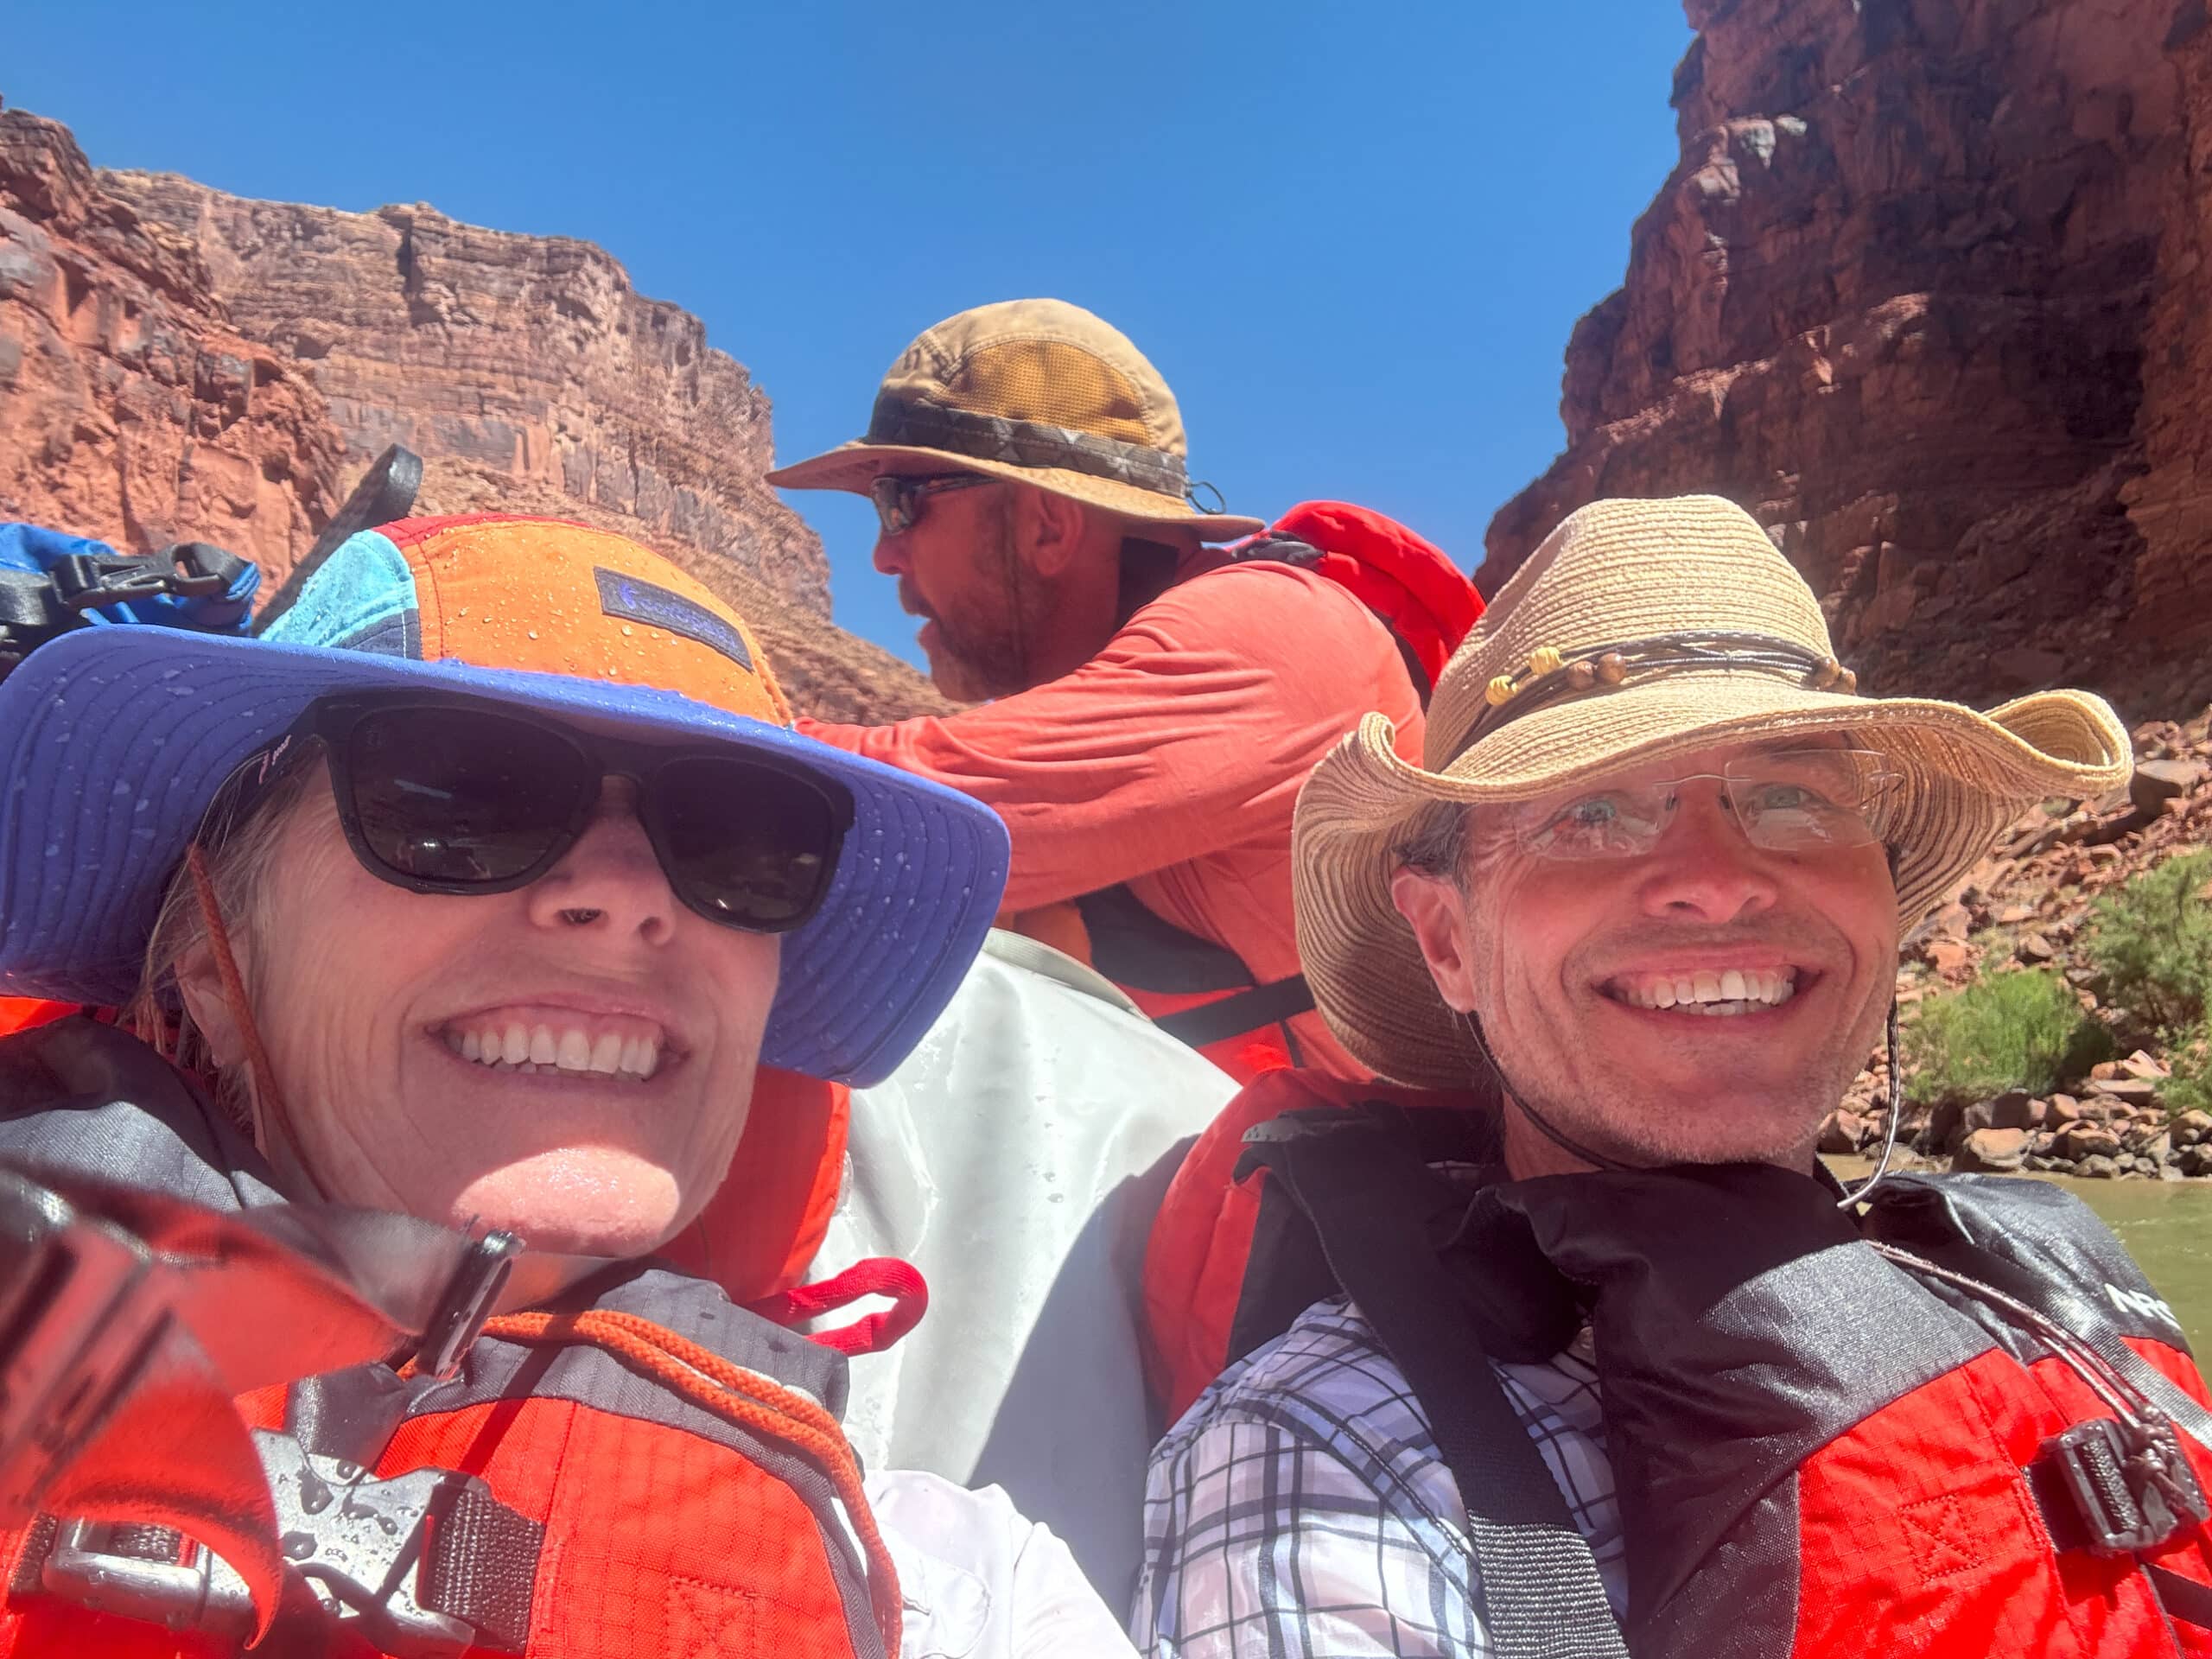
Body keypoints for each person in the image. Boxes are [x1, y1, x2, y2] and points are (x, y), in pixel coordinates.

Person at [0, 513, 1137, 1657]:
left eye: (741, 835)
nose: (629, 893)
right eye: (458, 793)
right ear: (213, 951)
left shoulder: (956, 1594)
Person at [1131, 495, 2212, 1657]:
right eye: (1593, 812)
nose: (1719, 879)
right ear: (1448, 942)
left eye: (1792, 796)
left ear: (1885, 901)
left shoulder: (2043, 1318)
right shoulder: (1338, 1456)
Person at [769, 299, 1478, 1082]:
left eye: (901, 503)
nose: (883, 557)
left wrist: (650, 726)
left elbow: (890, 815)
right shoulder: (1136, 683)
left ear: (1048, 526)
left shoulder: (1272, 632)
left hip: (1447, 1192)